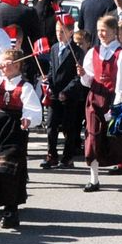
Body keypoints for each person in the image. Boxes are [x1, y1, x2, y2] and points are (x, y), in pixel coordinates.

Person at [0, 48, 42, 231]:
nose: (5, 66)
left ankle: (10, 210)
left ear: (19, 65)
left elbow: (34, 110)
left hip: (14, 130)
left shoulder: (25, 87)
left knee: (8, 170)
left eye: (9, 63)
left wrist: (28, 119)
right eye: (3, 62)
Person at [81, 15, 122, 192]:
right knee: (93, 136)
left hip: (113, 98)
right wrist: (83, 74)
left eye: (104, 30)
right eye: (99, 30)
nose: (101, 34)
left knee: (120, 137)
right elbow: (88, 81)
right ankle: (94, 179)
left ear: (114, 32)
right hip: (94, 99)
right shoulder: (93, 52)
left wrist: (115, 107)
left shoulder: (121, 54)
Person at [39, 14, 84, 169]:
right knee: (51, 125)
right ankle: (51, 155)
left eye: (62, 31)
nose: (59, 34)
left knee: (68, 127)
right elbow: (52, 69)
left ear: (71, 32)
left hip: (68, 96)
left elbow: (77, 77)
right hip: (54, 93)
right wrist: (48, 81)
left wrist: (67, 91)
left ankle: (68, 157)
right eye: (57, 31)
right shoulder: (54, 48)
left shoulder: (77, 51)